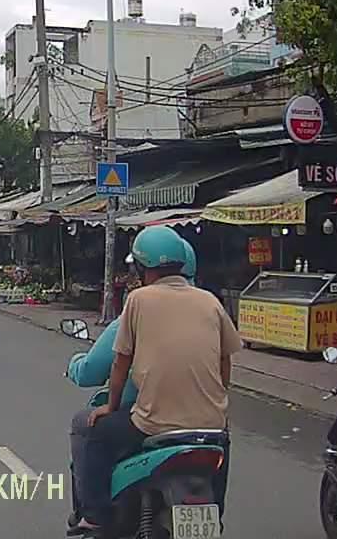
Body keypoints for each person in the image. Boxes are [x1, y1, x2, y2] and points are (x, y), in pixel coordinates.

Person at [76, 226, 243, 530]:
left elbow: (120, 362)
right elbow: (225, 362)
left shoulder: (139, 300)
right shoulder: (210, 301)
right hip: (210, 424)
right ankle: (214, 514)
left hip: (153, 423)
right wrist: (216, 400)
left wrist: (110, 406)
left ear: (142, 268)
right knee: (222, 441)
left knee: (97, 435)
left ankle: (95, 516)